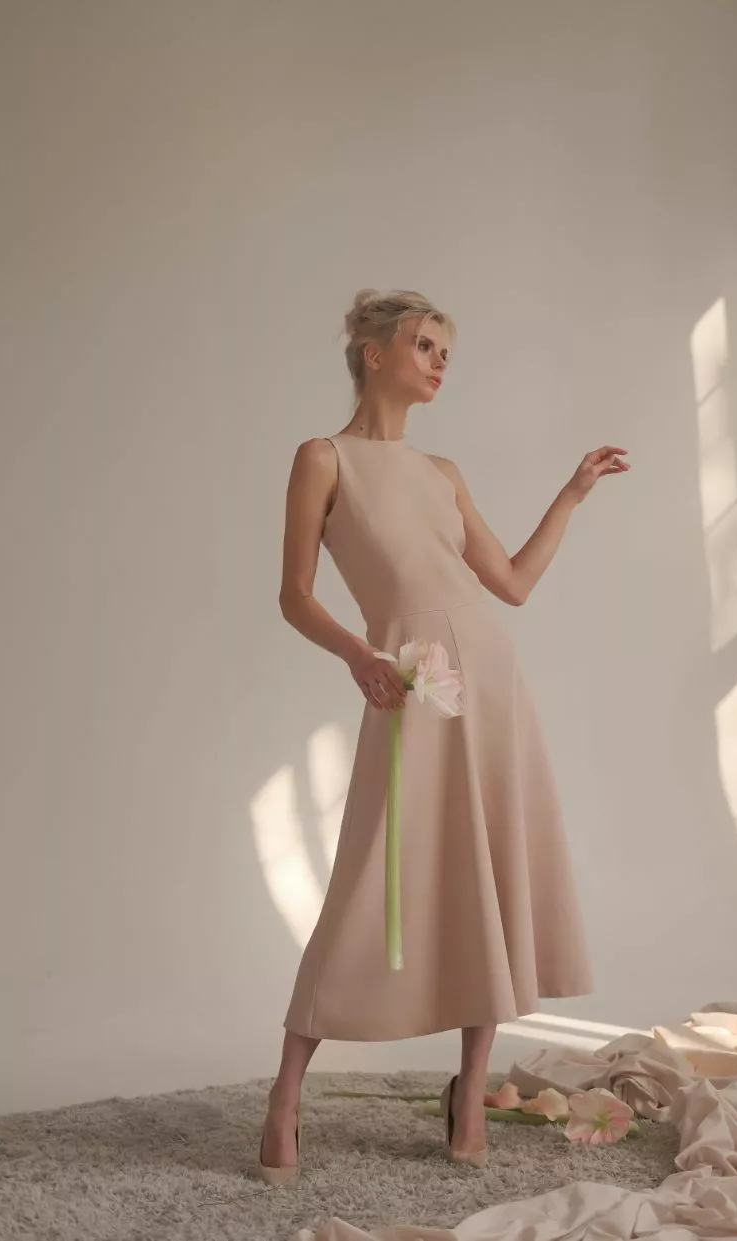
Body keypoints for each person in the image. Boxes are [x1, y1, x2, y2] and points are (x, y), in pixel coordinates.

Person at [259, 289, 630, 1185]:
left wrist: (572, 493)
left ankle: (468, 1094)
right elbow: (294, 594)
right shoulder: (323, 458)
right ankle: (284, 1097)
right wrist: (358, 653)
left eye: (444, 351)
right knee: (367, 879)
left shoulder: (442, 472)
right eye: (423, 344)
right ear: (374, 353)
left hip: (491, 684)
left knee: (486, 875)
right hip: (411, 685)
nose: (437, 361)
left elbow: (510, 584)